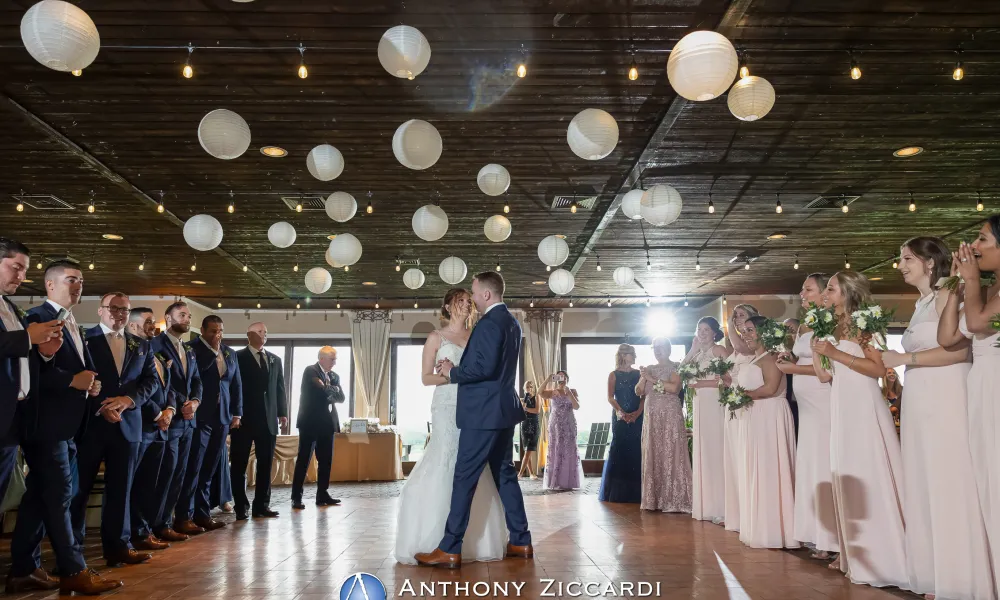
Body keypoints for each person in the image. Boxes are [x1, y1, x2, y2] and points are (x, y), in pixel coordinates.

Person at [883, 237, 994, 599]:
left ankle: (962, 577)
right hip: (920, 397)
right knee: (925, 482)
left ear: (930, 263)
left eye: (907, 258)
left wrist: (904, 361)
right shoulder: (922, 303)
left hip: (946, 395)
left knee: (949, 481)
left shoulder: (951, 293)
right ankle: (935, 572)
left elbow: (960, 353)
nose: (900, 265)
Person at [13, 260, 122, 595]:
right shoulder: (36, 319)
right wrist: (73, 381)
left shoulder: (72, 321)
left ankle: (23, 570)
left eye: (81, 280)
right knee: (60, 496)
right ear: (50, 285)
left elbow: (78, 371)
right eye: (71, 279)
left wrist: (90, 385)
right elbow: (31, 374)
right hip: (46, 424)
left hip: (71, 423)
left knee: (39, 499)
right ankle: (74, 570)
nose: (78, 285)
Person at [414, 272, 532, 569]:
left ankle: (449, 547)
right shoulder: (512, 323)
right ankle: (521, 539)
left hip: (482, 413)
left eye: (476, 294)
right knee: (505, 475)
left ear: (487, 295)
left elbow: (484, 369)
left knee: (464, 478)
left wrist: (453, 371)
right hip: (503, 410)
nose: (473, 299)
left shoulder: (490, 323)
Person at [394, 289, 506, 565]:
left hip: (473, 406)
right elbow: (425, 378)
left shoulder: (477, 336)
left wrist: (460, 374)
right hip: (445, 406)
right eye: (460, 301)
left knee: (470, 465)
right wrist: (448, 376)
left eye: (469, 301)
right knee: (445, 459)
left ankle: (469, 539)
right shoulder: (436, 337)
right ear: (447, 306)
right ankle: (438, 539)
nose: (466, 305)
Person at [813, 271, 907, 588]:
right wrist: (818, 349)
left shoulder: (864, 323)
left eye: (830, 288)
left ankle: (888, 556)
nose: (825, 293)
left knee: (870, 472)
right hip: (841, 405)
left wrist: (836, 353)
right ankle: (859, 555)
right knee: (848, 474)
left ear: (848, 293)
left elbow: (879, 369)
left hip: (864, 406)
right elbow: (825, 377)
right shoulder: (831, 325)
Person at [938, 215, 1000, 590]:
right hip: (982, 386)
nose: (974, 247)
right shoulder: (989, 290)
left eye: (983, 239)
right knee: (986, 480)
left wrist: (972, 280)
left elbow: (978, 326)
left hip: (996, 387)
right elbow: (949, 338)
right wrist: (958, 291)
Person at [73, 292, 156, 567]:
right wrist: (102, 405)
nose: (119, 314)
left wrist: (127, 401)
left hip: (128, 425)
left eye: (124, 310)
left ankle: (119, 546)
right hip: (90, 425)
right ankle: (72, 552)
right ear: (101, 310)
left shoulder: (140, 345)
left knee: (121, 490)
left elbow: (150, 381)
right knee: (78, 491)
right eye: (114, 308)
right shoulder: (85, 338)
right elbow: (79, 374)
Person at [0, 240, 64, 594]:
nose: (22, 276)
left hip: (17, 418)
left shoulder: (9, 306)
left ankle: (24, 567)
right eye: (15, 267)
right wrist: (27, 336)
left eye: (26, 269)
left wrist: (45, 353)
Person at [776, 273, 840, 560]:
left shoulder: (830, 320)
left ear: (825, 291)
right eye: (802, 288)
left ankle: (835, 539)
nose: (802, 293)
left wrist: (792, 371)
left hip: (822, 398)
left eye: (808, 289)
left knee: (825, 462)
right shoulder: (804, 323)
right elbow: (804, 357)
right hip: (805, 403)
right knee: (811, 463)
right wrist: (788, 361)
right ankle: (817, 534)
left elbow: (827, 369)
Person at [736, 317, 798, 549]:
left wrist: (743, 397)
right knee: (756, 468)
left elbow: (771, 388)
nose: (746, 334)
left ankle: (777, 529)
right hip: (755, 416)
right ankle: (760, 524)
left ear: (764, 332)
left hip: (770, 414)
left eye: (750, 330)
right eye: (744, 331)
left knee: (770, 467)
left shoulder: (772, 356)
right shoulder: (755, 358)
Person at [176, 316, 241, 533]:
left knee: (210, 468)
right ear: (202, 330)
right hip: (199, 416)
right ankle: (184, 515)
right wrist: (212, 352)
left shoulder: (229, 352)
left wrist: (237, 413)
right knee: (194, 467)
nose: (217, 335)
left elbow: (236, 384)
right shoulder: (191, 349)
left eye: (220, 331)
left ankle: (203, 515)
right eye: (213, 331)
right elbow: (192, 378)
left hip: (222, 417)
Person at [149, 302, 203, 540]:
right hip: (170, 419)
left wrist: (196, 402)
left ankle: (177, 519)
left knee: (182, 474)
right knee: (166, 474)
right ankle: (158, 524)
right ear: (168, 318)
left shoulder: (188, 348)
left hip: (189, 420)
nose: (187, 319)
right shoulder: (155, 345)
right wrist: (182, 404)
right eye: (182, 315)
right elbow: (163, 382)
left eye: (189, 316)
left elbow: (197, 380)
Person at [126, 307, 173, 552]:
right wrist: (156, 413)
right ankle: (134, 533)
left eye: (154, 322)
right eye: (148, 322)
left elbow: (169, 387)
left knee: (151, 483)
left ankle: (145, 530)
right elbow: (133, 386)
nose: (154, 327)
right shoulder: (129, 350)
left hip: (161, 427)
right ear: (132, 326)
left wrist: (170, 410)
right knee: (135, 484)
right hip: (142, 425)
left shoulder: (154, 352)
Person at [232, 322, 287, 520]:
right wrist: (234, 413)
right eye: (260, 331)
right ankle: (240, 506)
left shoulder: (275, 359)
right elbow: (233, 387)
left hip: (268, 420)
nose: (264, 334)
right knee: (238, 464)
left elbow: (280, 388)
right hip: (244, 420)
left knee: (265, 464)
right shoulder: (237, 357)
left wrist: (282, 413)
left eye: (266, 331)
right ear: (249, 335)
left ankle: (262, 506)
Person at [636, 337, 691, 513]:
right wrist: (643, 378)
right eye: (655, 348)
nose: (658, 350)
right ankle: (655, 499)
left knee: (672, 451)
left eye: (661, 347)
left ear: (669, 348)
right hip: (652, 416)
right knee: (654, 451)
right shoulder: (649, 369)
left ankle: (676, 498)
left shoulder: (676, 366)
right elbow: (638, 391)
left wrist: (651, 378)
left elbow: (674, 388)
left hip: (670, 414)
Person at [681, 317, 728, 523]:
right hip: (700, 405)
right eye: (699, 329)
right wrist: (692, 349)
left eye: (706, 329)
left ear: (715, 332)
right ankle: (705, 504)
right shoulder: (698, 353)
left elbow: (728, 379)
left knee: (716, 450)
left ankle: (722, 506)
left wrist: (701, 384)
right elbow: (680, 371)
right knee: (704, 451)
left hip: (715, 403)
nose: (702, 333)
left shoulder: (719, 351)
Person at [291, 346, 344, 509]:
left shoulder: (334, 376)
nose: (334, 363)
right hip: (310, 423)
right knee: (304, 460)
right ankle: (296, 497)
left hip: (327, 424)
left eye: (335, 359)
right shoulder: (311, 371)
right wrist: (331, 390)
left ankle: (322, 494)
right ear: (321, 358)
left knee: (326, 461)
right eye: (332, 359)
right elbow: (322, 392)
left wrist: (332, 390)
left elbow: (341, 398)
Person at [722, 304, 758, 533]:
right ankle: (736, 513)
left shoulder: (749, 343)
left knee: (744, 457)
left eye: (741, 315)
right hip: (732, 402)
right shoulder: (735, 347)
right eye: (735, 316)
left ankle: (749, 512)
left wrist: (728, 323)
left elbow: (740, 347)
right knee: (733, 456)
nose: (736, 319)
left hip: (748, 404)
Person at [599, 344, 643, 503]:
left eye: (634, 354)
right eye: (632, 354)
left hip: (638, 415)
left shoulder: (639, 374)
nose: (634, 356)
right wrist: (621, 413)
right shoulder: (613, 374)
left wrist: (637, 413)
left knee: (636, 448)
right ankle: (618, 492)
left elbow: (643, 397)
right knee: (619, 448)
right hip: (619, 415)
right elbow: (610, 397)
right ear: (623, 355)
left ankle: (636, 492)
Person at [539, 371, 582, 490]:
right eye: (559, 376)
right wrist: (548, 379)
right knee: (556, 448)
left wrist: (569, 394)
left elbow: (577, 407)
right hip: (556, 424)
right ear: (556, 379)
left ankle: (568, 481)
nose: (561, 378)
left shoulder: (572, 391)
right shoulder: (553, 392)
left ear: (567, 379)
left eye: (563, 376)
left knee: (569, 449)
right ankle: (556, 480)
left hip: (568, 423)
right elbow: (539, 392)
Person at [517, 381, 540, 480]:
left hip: (534, 426)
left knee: (528, 451)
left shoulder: (537, 397)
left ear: (533, 388)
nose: (529, 388)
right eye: (527, 386)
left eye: (531, 386)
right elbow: (521, 410)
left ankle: (520, 474)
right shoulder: (522, 399)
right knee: (527, 450)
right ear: (524, 388)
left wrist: (525, 408)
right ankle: (531, 474)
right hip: (524, 425)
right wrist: (525, 400)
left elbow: (537, 410)